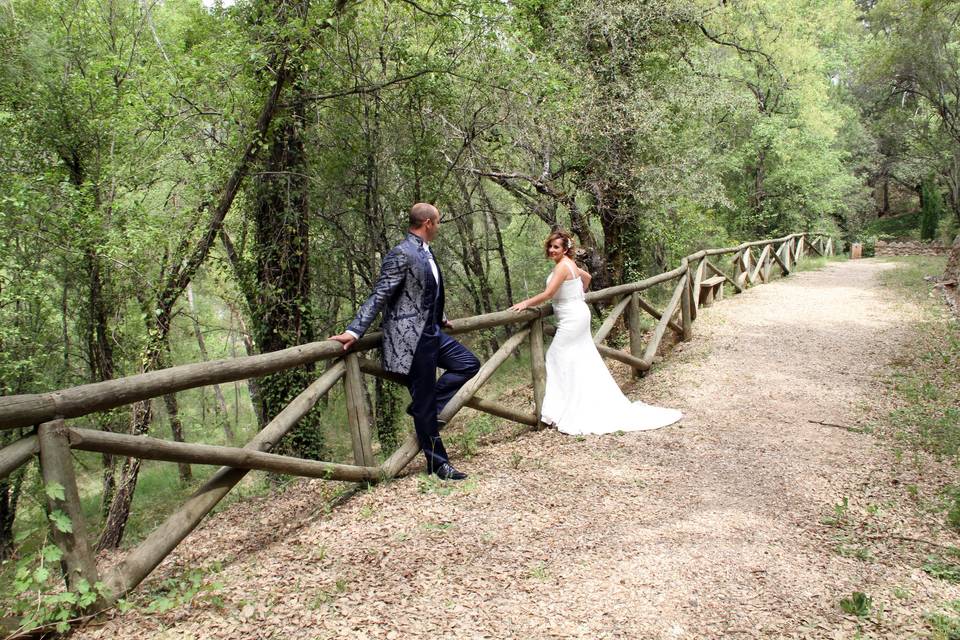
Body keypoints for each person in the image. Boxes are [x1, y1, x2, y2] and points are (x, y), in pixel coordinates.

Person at [329, 203, 479, 480]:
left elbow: (423, 290)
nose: (439, 226)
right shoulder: (401, 253)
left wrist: (440, 314)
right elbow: (380, 295)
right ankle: (439, 464)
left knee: (468, 363)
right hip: (411, 338)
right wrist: (353, 331)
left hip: (432, 331)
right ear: (427, 223)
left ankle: (425, 406)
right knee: (424, 404)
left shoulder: (425, 251)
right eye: (438, 222)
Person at [509, 230, 682, 435]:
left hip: (572, 318)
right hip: (577, 313)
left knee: (555, 355)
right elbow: (587, 278)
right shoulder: (570, 265)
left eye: (556, 247)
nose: (552, 250)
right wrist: (577, 296)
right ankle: (571, 402)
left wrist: (525, 303)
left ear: (565, 249)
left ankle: (562, 407)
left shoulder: (563, 267)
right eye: (550, 246)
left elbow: (548, 294)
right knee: (579, 357)